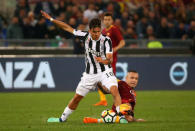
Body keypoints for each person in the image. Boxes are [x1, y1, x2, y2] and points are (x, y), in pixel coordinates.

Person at [40, 11, 123, 123]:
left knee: (114, 90)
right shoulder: (84, 36)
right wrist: (51, 19)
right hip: (90, 74)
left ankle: (120, 117)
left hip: (105, 71)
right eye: (94, 32)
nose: (97, 34)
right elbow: (66, 27)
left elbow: (110, 59)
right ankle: (62, 119)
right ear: (90, 31)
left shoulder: (106, 40)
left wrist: (103, 60)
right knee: (77, 98)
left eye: (99, 32)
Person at [94, 12, 125, 106]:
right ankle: (103, 99)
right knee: (98, 78)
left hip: (111, 60)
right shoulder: (103, 31)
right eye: (105, 19)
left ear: (112, 21)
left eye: (109, 19)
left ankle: (126, 91)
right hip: (103, 60)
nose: (107, 21)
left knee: (113, 80)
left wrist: (114, 49)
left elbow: (122, 42)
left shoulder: (114, 29)